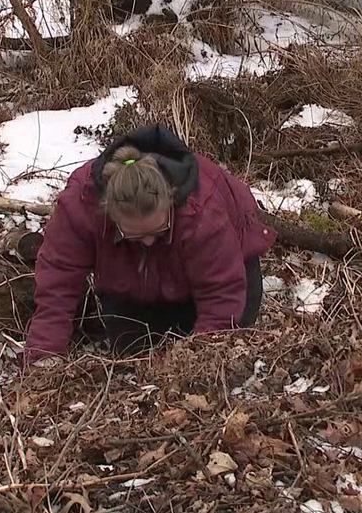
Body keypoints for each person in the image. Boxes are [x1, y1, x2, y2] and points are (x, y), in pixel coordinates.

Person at [23, 124, 276, 365]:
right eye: (134, 235)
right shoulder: (80, 206)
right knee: (135, 360)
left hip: (229, 276)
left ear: (171, 200)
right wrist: (44, 355)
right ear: (108, 212)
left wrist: (198, 358)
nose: (148, 241)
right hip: (131, 288)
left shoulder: (200, 210)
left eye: (158, 231)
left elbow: (221, 294)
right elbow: (57, 283)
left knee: (222, 348)